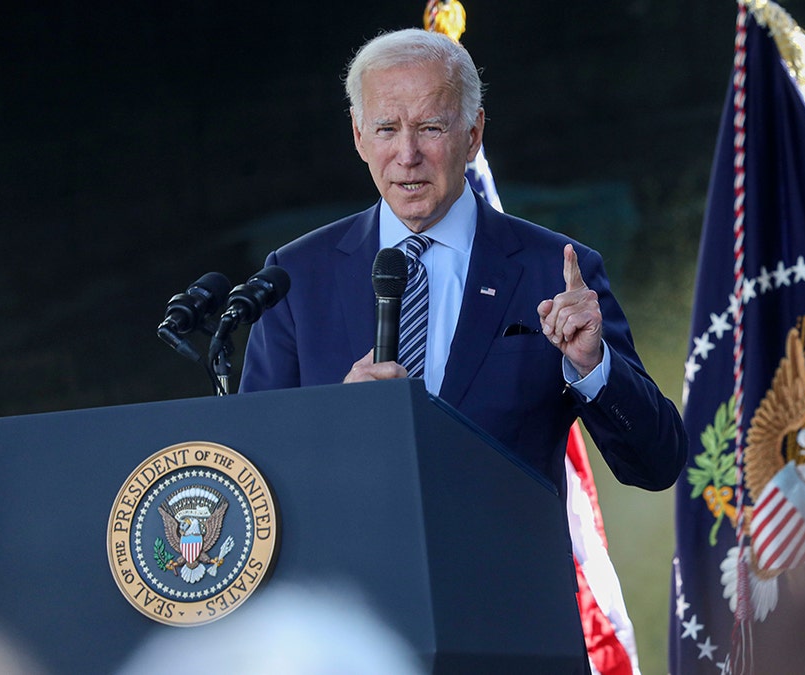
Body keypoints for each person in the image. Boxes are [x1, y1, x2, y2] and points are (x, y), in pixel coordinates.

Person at [238, 28, 687, 499]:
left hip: (504, 570)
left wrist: (592, 364)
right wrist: (336, 423)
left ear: (473, 134)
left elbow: (658, 463)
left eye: (430, 127)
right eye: (387, 128)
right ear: (358, 135)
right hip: (355, 569)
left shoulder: (554, 271)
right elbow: (252, 478)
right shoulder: (294, 278)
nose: (407, 156)